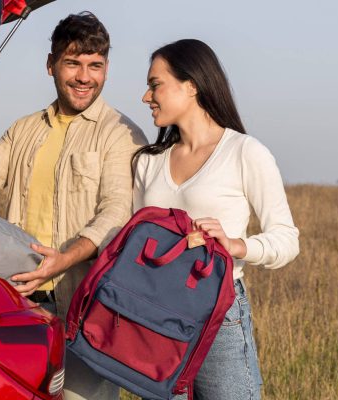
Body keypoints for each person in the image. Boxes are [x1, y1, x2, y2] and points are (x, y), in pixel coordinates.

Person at [0, 12, 146, 400]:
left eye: (95, 65)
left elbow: (116, 214)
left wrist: (64, 258)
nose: (84, 76)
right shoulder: (26, 129)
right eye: (73, 63)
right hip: (19, 305)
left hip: (82, 308)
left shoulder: (120, 134)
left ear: (107, 68)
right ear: (51, 65)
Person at [133, 39, 299, 400]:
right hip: (156, 316)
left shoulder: (244, 152)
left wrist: (238, 245)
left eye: (155, 84)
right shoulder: (148, 161)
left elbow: (287, 239)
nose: (147, 97)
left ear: (191, 85)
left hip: (219, 313)